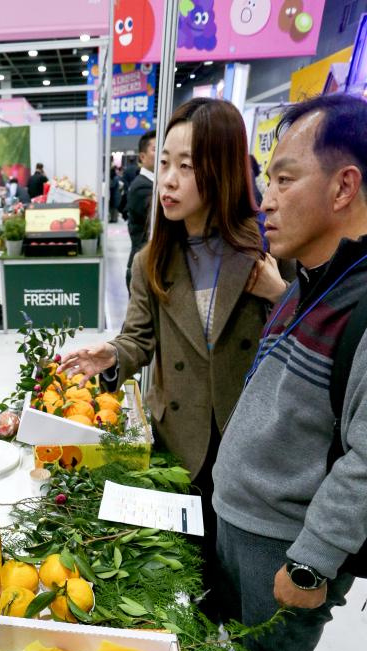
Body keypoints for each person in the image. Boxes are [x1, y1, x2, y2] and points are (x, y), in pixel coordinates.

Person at [59, 98, 286, 621]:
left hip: (249, 450)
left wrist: (279, 295)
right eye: (164, 163)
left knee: (246, 596)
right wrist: (109, 354)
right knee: (189, 580)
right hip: (180, 447)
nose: (169, 180)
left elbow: (312, 335)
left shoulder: (267, 251)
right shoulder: (152, 259)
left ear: (223, 170)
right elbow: (138, 340)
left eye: (187, 166)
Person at [212, 92, 367, 651]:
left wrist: (310, 563)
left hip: (287, 544)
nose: (264, 199)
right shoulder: (310, 285)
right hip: (249, 523)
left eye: (283, 178)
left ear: (343, 185)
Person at [125, 130, 157, 291]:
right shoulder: (141, 186)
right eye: (155, 149)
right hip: (143, 268)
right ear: (142, 157)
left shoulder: (155, 184)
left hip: (151, 265)